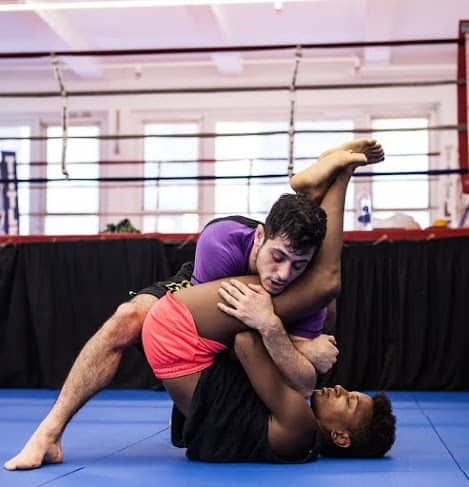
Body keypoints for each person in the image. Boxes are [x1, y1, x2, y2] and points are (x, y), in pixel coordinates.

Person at [4, 139, 384, 470]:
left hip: (220, 355)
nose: (284, 273)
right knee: (129, 317)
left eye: (298, 264)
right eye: (278, 258)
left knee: (323, 301)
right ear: (260, 237)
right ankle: (49, 432)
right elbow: (218, 334)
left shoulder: (296, 278)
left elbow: (270, 358)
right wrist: (296, 346)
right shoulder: (223, 242)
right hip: (203, 298)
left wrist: (283, 339)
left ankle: (314, 189)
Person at [141, 151, 396, 462]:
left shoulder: (300, 428)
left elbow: (245, 343)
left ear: (341, 437)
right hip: (183, 361)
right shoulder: (293, 446)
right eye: (350, 393)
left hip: (172, 329)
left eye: (349, 402)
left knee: (321, 287)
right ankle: (314, 191)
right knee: (314, 307)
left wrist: (279, 330)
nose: (341, 389)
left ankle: (339, 176)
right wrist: (299, 349)